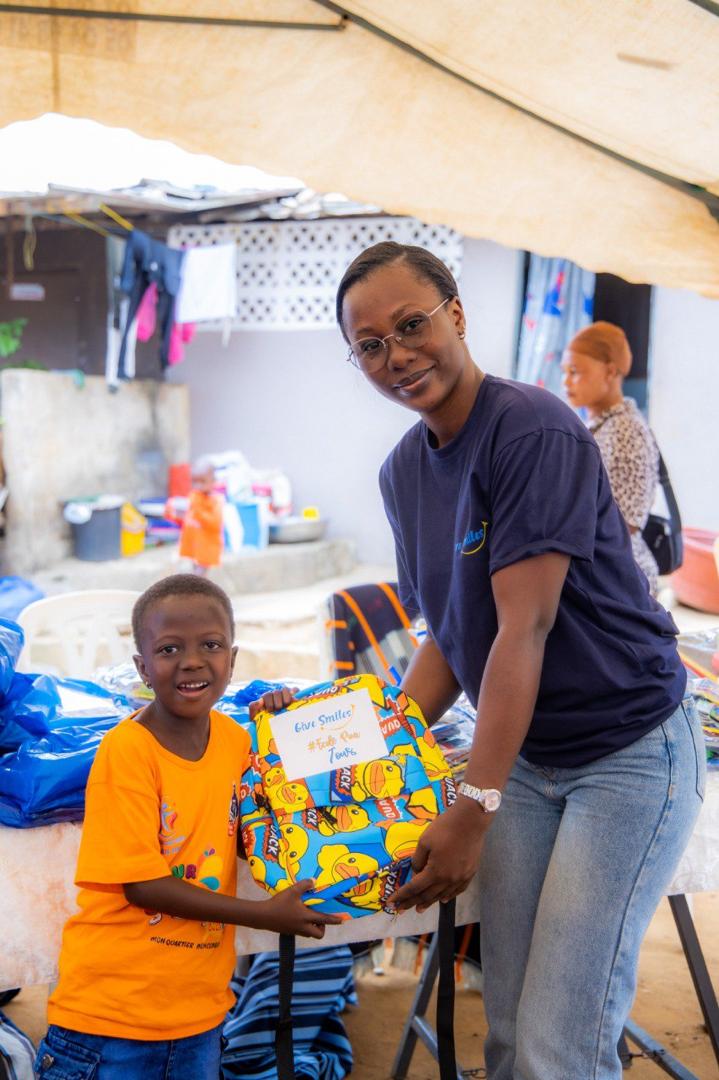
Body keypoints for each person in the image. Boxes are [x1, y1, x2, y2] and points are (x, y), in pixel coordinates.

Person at [336, 242, 705, 1080]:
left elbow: (522, 629)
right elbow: (449, 636)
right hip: (528, 760)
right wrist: (366, 754)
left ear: (457, 315)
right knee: (506, 1029)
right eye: (370, 345)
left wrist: (472, 805)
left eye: (411, 325)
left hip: (626, 753)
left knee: (557, 1042)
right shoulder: (403, 475)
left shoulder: (531, 429)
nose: (397, 355)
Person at [35, 574, 340, 1080]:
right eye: (169, 648)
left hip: (200, 1018)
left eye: (211, 645)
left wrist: (283, 728)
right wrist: (264, 915)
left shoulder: (235, 741)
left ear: (233, 660)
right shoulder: (128, 751)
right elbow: (143, 885)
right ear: (143, 668)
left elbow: (269, 821)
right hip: (110, 1022)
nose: (192, 661)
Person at [562, 320, 661, 593]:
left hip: (620, 582)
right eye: (564, 372)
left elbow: (625, 524)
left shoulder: (625, 430)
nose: (566, 381)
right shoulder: (600, 425)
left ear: (610, 372)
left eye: (575, 372)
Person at [176, 460, 224, 576]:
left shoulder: (215, 501)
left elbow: (215, 523)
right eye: (194, 481)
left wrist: (198, 511)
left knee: (199, 576)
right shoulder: (195, 497)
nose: (198, 486)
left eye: (202, 481)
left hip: (207, 547)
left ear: (213, 481)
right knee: (195, 571)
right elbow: (188, 517)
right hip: (195, 546)